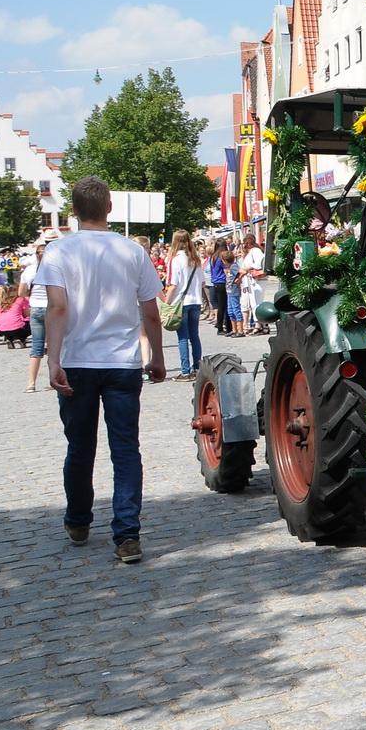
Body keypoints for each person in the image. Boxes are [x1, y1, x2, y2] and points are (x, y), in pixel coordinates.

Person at [36, 177, 166, 563]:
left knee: (80, 447)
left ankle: (78, 520)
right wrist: (157, 356)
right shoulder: (132, 251)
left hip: (77, 361)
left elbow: (56, 309)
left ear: (73, 211)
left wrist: (53, 359)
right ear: (110, 208)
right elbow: (150, 312)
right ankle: (127, 535)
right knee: (125, 449)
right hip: (122, 362)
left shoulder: (58, 252)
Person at [163, 229, 204, 381]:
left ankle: (185, 371)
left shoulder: (175, 260)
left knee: (182, 338)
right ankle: (197, 368)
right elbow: (202, 283)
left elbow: (173, 285)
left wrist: (166, 304)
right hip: (196, 301)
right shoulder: (196, 259)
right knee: (194, 336)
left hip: (181, 302)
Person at [22, 241, 50, 392]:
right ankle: (54, 378)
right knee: (54, 345)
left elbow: (21, 293)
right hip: (52, 308)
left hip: (36, 308)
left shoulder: (30, 270)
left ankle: (31, 383)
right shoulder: (55, 269)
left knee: (36, 347)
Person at [239, 238, 267, 335]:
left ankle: (259, 325)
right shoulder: (251, 252)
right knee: (254, 302)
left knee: (257, 302)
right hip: (251, 280)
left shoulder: (255, 251)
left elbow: (259, 263)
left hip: (257, 280)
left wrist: (248, 268)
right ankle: (260, 324)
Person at [0, 283, 30, 347]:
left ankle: (10, 339)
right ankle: (21, 339)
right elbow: (26, 315)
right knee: (32, 323)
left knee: (11, 326)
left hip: (2, 330)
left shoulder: (2, 301)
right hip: (17, 329)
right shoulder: (21, 299)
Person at [207, 245, 230, 334]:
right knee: (225, 306)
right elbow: (226, 269)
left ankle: (220, 326)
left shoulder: (213, 257)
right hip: (222, 281)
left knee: (220, 306)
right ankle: (227, 326)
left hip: (215, 282)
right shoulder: (221, 258)